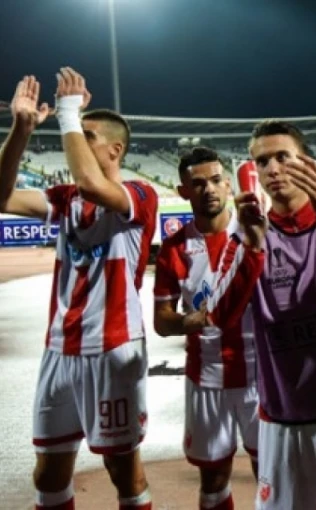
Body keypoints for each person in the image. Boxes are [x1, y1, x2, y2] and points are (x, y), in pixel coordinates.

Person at [202, 121, 316, 510]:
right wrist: (253, 248)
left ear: (306, 162)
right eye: (262, 161)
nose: (272, 169)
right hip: (285, 414)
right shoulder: (245, 235)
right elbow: (218, 316)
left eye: (282, 157)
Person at [0, 69, 156, 509]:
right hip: (58, 349)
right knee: (48, 473)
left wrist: (68, 111)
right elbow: (2, 198)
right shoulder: (65, 198)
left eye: (87, 136)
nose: (75, 142)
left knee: (123, 471)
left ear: (115, 149)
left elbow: (91, 182)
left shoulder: (139, 195)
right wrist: (22, 129)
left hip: (112, 349)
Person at [153, 147, 259, 510]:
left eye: (215, 180)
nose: (209, 189)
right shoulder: (174, 249)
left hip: (260, 376)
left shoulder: (254, 234)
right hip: (207, 377)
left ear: (228, 184)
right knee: (213, 479)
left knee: (271, 473)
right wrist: (189, 321)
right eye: (198, 184)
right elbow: (161, 320)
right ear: (183, 191)